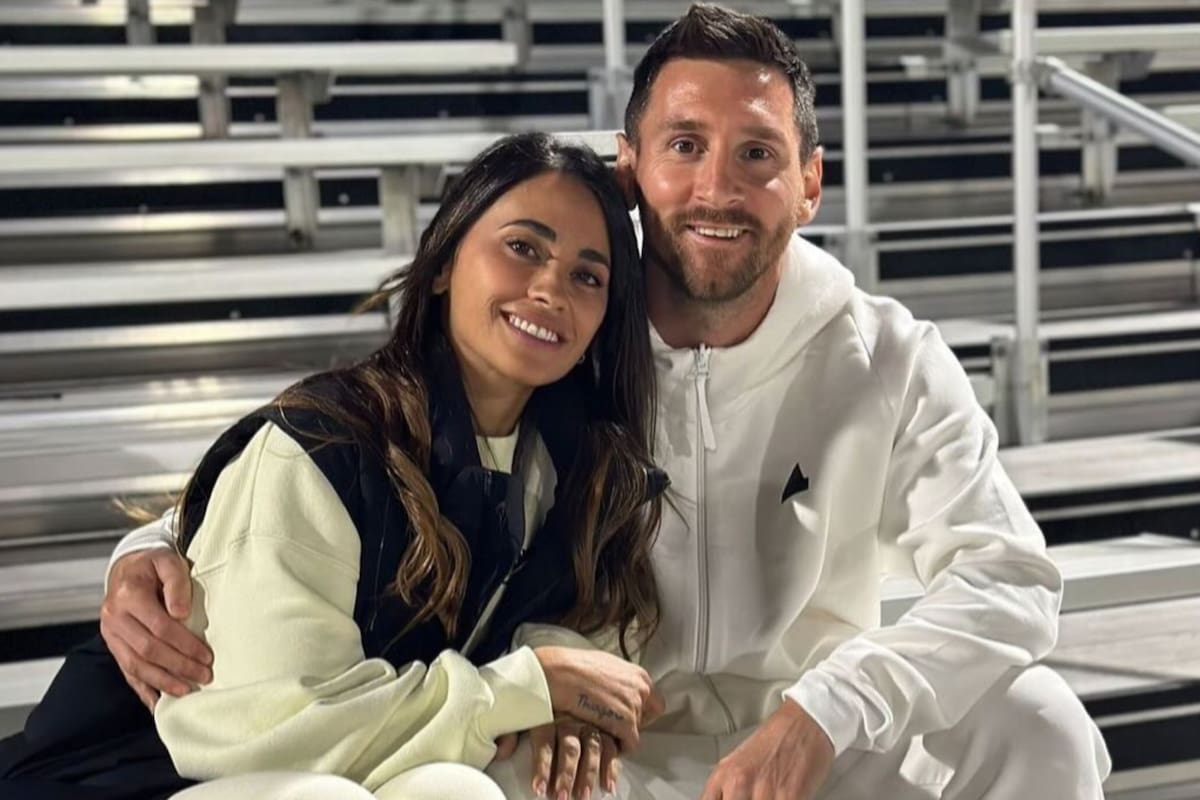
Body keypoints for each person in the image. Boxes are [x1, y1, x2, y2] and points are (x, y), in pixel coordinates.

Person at [89, 4, 1115, 799]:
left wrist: (830, 706)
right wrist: (154, 549)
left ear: (809, 182)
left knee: (1041, 720)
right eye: (683, 145)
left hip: (802, 741)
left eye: (755, 154)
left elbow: (1011, 574)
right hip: (580, 739)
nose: (715, 186)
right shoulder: (562, 328)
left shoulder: (885, 354)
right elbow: (374, 431)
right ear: (631, 166)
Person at [0, 132, 670, 800]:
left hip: (330, 765)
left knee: (462, 788)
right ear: (443, 264)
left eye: (588, 275)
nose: (551, 288)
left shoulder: (569, 469)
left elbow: (581, 632)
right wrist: (524, 689)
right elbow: (265, 731)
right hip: (136, 773)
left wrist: (561, 691)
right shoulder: (319, 444)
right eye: (522, 248)